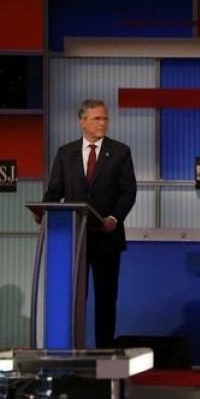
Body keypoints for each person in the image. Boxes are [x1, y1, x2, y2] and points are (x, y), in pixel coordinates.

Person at [39, 98, 137, 348]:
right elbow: (54, 191)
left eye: (105, 118)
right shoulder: (66, 153)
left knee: (106, 299)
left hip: (107, 238)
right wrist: (42, 211)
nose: (103, 123)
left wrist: (115, 218)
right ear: (83, 122)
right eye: (97, 118)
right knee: (74, 299)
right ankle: (71, 349)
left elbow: (128, 191)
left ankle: (104, 352)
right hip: (74, 239)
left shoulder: (120, 152)